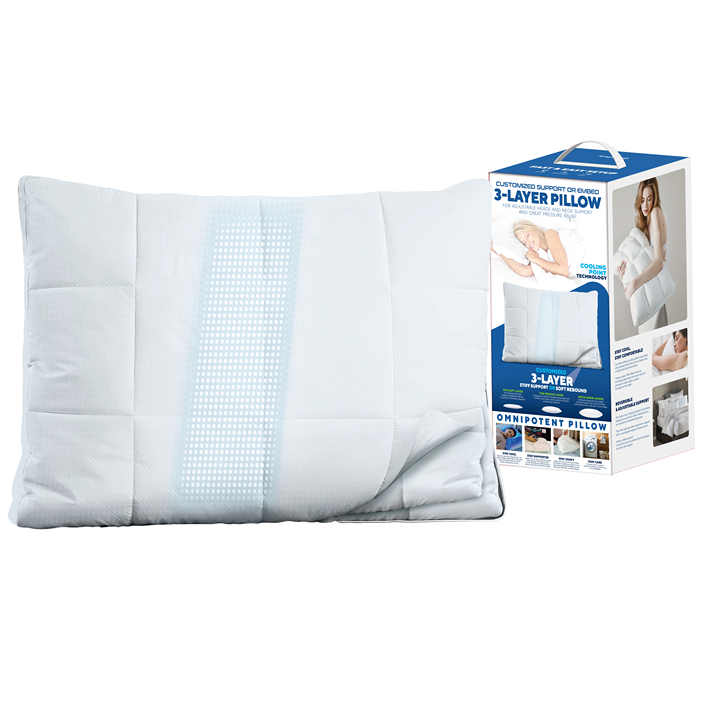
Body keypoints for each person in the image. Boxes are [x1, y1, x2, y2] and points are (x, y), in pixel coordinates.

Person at [618, 177, 670, 331]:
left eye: (649, 199)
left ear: (655, 198)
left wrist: (634, 284)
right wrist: (624, 275)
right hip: (647, 296)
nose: (645, 205)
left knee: (653, 340)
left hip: (653, 296)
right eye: (642, 200)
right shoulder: (647, 221)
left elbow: (659, 262)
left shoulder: (655, 213)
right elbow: (643, 262)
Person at [493, 221, 570, 278]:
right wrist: (498, 251)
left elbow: (564, 270)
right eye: (524, 243)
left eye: (528, 236)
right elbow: (525, 271)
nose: (528, 243)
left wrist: (536, 259)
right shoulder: (538, 253)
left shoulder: (550, 233)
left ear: (534, 229)